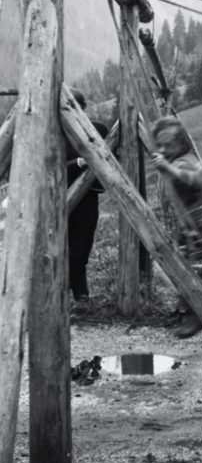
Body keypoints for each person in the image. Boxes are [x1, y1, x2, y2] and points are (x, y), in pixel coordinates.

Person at [150, 115, 202, 337]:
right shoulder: (181, 159)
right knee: (177, 267)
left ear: (181, 144)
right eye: (160, 145)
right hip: (197, 223)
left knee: (174, 269)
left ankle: (198, 310)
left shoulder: (184, 162)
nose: (164, 149)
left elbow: (193, 180)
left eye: (169, 145)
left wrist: (168, 168)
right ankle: (198, 306)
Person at [67, 88, 108, 310]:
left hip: (88, 199)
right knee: (64, 249)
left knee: (81, 249)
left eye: (78, 108)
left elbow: (112, 158)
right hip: (58, 199)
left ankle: (79, 299)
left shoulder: (99, 130)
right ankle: (81, 299)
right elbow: (51, 168)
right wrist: (79, 164)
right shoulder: (57, 136)